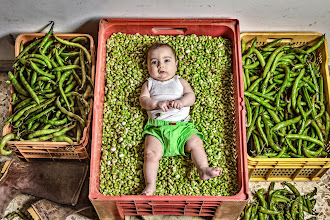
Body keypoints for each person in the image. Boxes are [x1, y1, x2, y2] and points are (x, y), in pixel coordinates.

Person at [139, 43, 222, 196]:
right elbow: (143, 101)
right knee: (150, 154)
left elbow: (191, 96)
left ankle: (203, 169)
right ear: (147, 66)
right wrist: (156, 103)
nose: (160, 66)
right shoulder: (149, 84)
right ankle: (150, 185)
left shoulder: (179, 81)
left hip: (183, 127)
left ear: (176, 65)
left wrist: (182, 102)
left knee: (196, 143)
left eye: (166, 60)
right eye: (154, 62)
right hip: (158, 129)